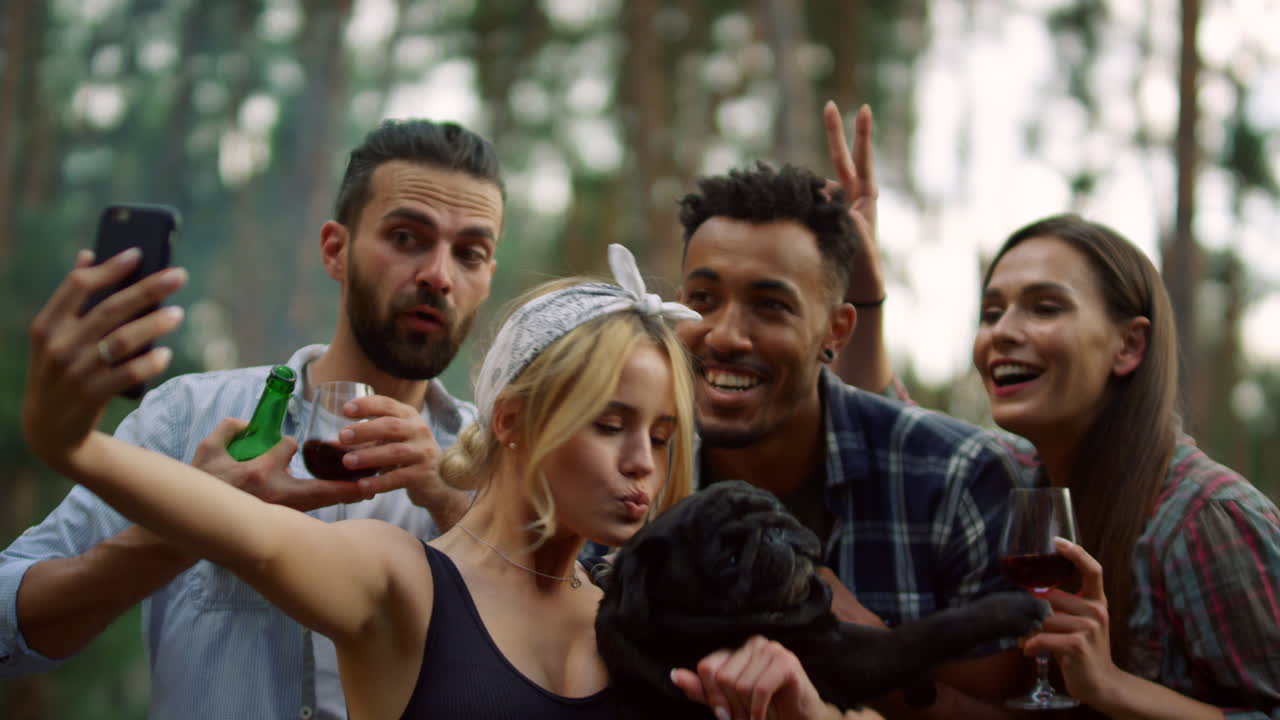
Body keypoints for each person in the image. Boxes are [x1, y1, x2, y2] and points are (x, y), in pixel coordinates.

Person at [21, 241, 862, 720]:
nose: (645, 461)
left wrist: (803, 713)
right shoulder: (402, 581)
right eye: (610, 424)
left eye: (663, 434)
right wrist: (74, 446)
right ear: (511, 420)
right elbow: (245, 530)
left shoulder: (642, 621)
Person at [0, 119, 499, 719]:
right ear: (334, 250)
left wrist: (456, 509)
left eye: (470, 253)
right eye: (406, 237)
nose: (439, 276)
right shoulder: (188, 418)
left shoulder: (501, 462)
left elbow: (572, 650)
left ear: (488, 274)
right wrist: (187, 524)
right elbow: (9, 623)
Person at [671, 129, 1029, 716]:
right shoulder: (633, 472)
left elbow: (1014, 709)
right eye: (703, 299)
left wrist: (868, 653)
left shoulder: (954, 477)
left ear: (836, 330)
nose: (726, 335)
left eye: (770, 306)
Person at [972, 214, 1280, 718]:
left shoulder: (1206, 519)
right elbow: (894, 432)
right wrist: (864, 295)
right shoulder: (1015, 478)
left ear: (1129, 345)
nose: (1002, 332)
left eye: (1045, 308)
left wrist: (1112, 687)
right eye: (990, 313)